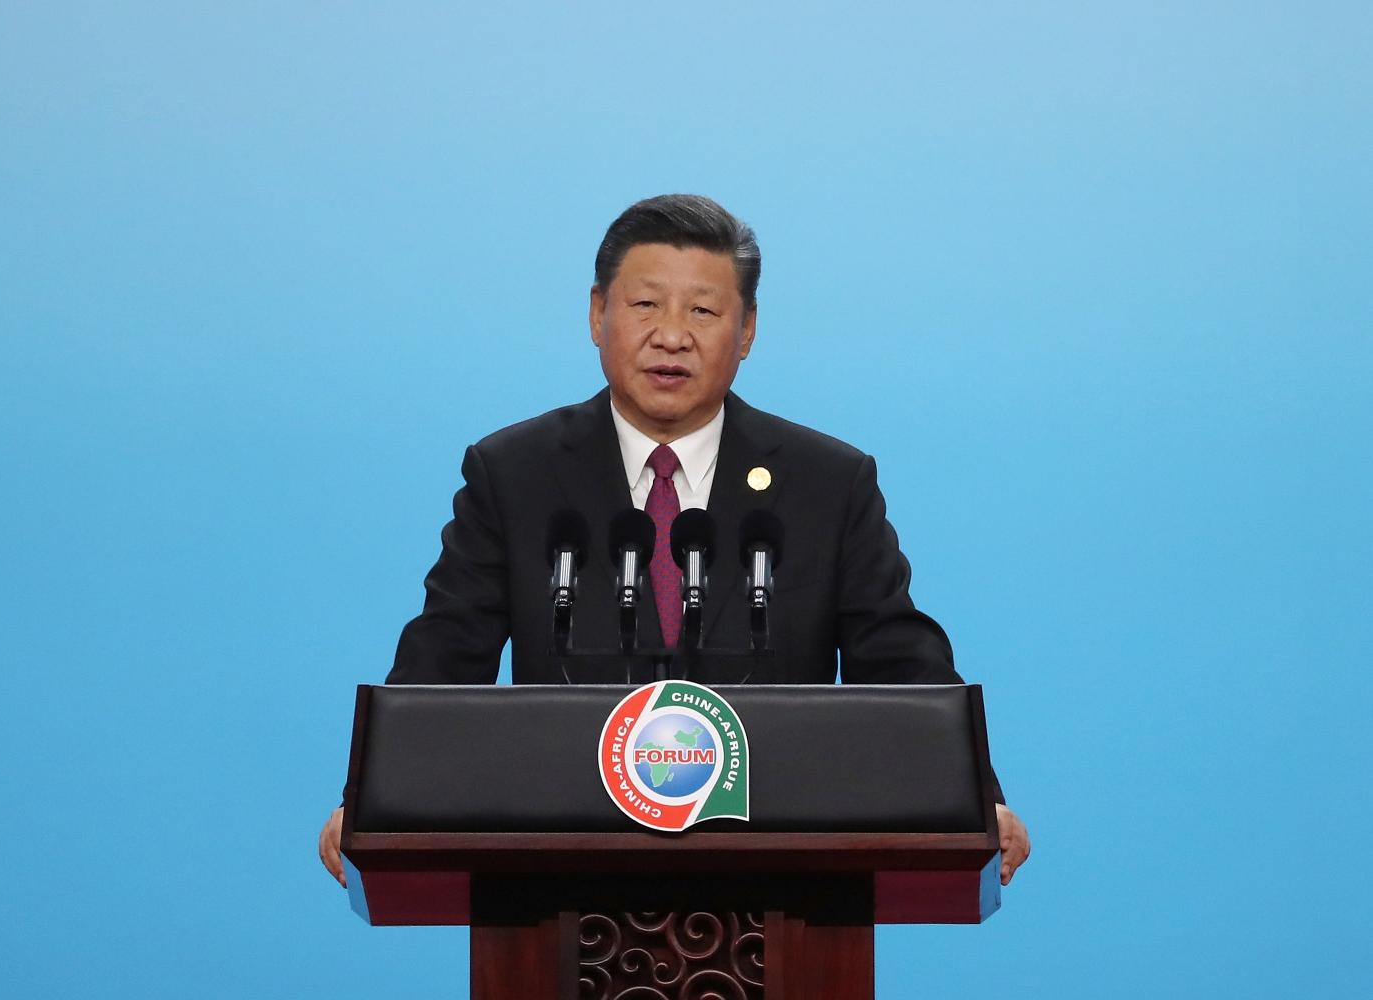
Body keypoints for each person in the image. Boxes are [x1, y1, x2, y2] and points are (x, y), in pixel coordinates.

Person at [319, 194, 1030, 886]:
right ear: (597, 314)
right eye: (645, 305)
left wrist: (975, 798)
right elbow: (445, 652)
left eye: (703, 310)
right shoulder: (514, 474)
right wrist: (375, 791)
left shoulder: (827, 483)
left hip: (785, 878)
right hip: (558, 876)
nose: (671, 335)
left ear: (747, 330)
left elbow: (900, 660)